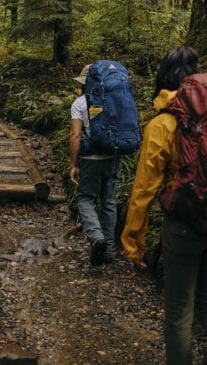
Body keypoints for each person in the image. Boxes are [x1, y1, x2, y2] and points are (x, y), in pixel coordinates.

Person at [121, 47, 207, 365]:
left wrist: (133, 238)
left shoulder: (162, 124)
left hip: (183, 227)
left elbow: (144, 190)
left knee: (179, 309)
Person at [69, 64, 121, 266]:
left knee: (85, 199)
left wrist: (73, 164)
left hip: (90, 158)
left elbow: (75, 135)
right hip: (114, 156)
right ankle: (108, 250)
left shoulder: (80, 103)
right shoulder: (116, 100)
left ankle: (96, 236)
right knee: (108, 201)